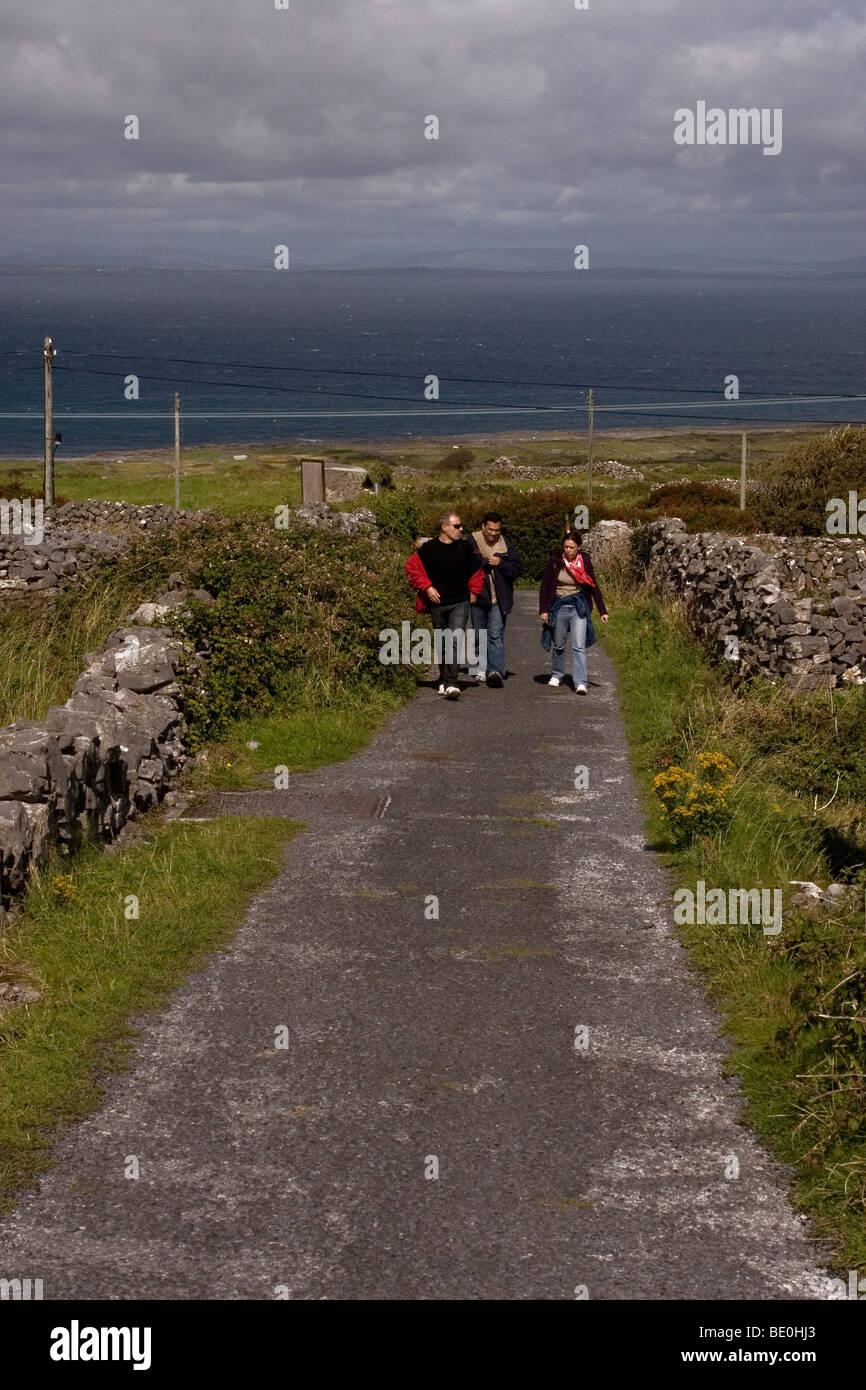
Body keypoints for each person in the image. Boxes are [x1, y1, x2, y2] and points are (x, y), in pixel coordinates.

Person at [406, 512, 484, 699]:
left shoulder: (466, 548)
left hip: (460, 601)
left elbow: (477, 568)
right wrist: (427, 587)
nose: (461, 529)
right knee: (442, 642)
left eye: (460, 526)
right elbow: (412, 568)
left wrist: (474, 591)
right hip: (438, 603)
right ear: (444, 528)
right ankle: (443, 678)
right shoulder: (428, 549)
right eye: (457, 526)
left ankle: (451, 682)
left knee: (454, 639)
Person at [538, 530, 608, 694]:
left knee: (578, 645)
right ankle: (557, 674)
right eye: (566, 547)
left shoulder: (585, 561)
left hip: (578, 606)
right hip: (558, 605)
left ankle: (580, 682)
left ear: (579, 548)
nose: (568, 550)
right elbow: (545, 586)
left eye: (572, 547)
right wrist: (543, 609)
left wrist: (602, 610)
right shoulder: (555, 560)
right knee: (559, 643)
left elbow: (593, 586)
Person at [467, 512, 522, 687]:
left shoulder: (506, 545)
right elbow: (467, 564)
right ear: (483, 527)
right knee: (478, 634)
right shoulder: (472, 540)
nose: (493, 533)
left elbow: (517, 570)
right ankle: (481, 668)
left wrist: (501, 564)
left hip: (499, 598)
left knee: (496, 635)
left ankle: (496, 670)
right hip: (478, 596)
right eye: (490, 529)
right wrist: (486, 562)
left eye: (497, 530)